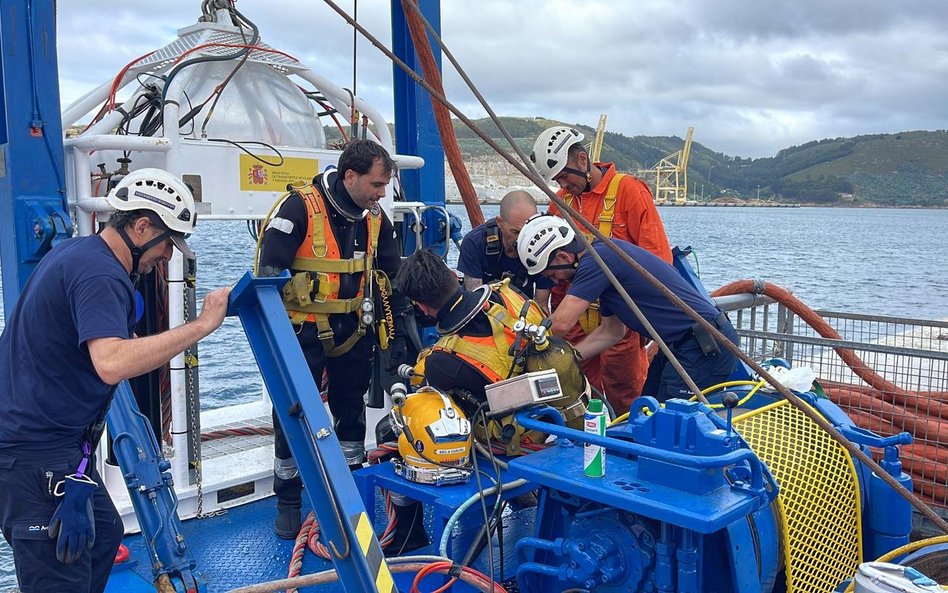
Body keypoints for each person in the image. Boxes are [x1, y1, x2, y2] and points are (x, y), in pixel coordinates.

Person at [0, 168, 231, 593]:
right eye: (166, 245)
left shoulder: (78, 253)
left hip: (60, 448)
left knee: (103, 533)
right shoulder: (101, 275)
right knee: (59, 574)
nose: (167, 257)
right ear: (141, 226)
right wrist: (201, 326)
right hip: (35, 456)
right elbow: (110, 362)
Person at [256, 139, 412, 539]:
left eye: (385, 186)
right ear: (349, 176)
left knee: (350, 407)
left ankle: (351, 488)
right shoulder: (298, 209)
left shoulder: (375, 219)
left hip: (354, 331)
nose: (382, 194)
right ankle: (288, 498)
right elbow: (267, 275)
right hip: (300, 332)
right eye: (377, 185)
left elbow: (393, 277)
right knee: (291, 413)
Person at [517, 214, 739, 403]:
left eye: (553, 274)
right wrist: (570, 357)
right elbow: (612, 331)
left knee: (669, 428)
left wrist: (521, 353)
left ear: (564, 256)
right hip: (684, 345)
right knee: (646, 411)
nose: (556, 282)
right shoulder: (605, 260)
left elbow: (560, 325)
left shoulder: (597, 260)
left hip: (703, 346)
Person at [531, 126, 673, 414]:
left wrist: (649, 326)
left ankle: (628, 451)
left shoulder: (629, 191)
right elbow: (552, 264)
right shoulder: (560, 204)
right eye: (556, 180)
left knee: (627, 397)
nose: (562, 185)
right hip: (575, 323)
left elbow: (657, 262)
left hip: (619, 323)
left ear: (582, 161)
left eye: (563, 176)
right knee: (572, 392)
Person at [396, 249, 589, 443]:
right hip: (568, 407)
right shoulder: (509, 292)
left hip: (523, 437)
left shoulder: (440, 361)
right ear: (454, 276)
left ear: (421, 306)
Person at [457, 190, 553, 313]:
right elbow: (476, 303)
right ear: (500, 222)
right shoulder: (474, 243)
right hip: (485, 314)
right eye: (515, 232)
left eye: (527, 231)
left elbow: (541, 305)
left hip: (524, 315)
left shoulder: (543, 249)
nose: (521, 240)